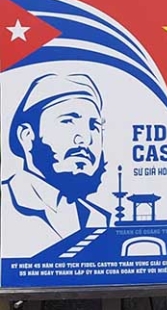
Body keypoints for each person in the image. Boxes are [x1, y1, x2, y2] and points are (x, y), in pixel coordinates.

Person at [1, 73, 111, 257]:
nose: (85, 138)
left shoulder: (98, 218)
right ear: (27, 136)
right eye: (68, 121)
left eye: (94, 126)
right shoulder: (6, 203)